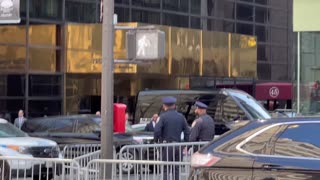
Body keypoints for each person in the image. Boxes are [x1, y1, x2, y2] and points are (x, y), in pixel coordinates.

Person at [154, 96, 190, 180]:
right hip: (178, 146)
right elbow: (187, 131)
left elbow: (157, 131)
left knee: (166, 169)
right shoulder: (181, 116)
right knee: (176, 169)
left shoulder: (163, 117)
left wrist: (157, 141)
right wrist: (185, 143)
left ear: (164, 106)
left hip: (167, 146)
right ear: (174, 105)